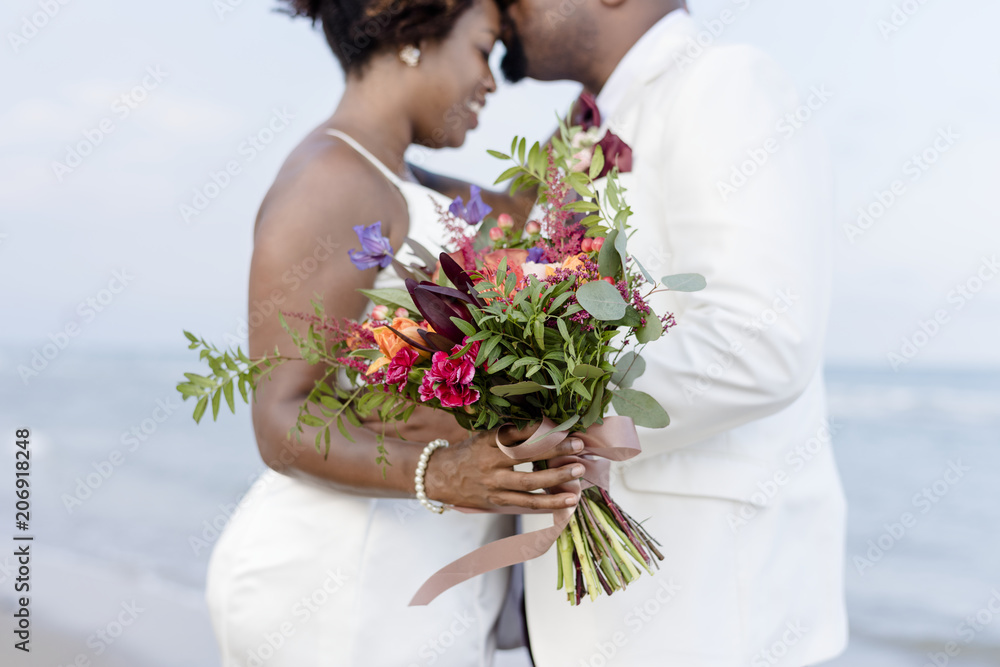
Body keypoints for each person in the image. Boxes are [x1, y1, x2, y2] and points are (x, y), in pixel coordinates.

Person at [204, 2, 584, 665]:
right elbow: (280, 415)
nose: (492, 82)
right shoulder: (332, 179)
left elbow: (543, 209)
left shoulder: (406, 181)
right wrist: (443, 473)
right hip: (335, 587)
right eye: (484, 50)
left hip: (403, 583)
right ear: (416, 38)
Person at [489, 1, 848, 665]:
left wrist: (545, 401)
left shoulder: (724, 83)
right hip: (598, 618)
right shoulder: (573, 137)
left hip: (708, 612)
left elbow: (762, 337)